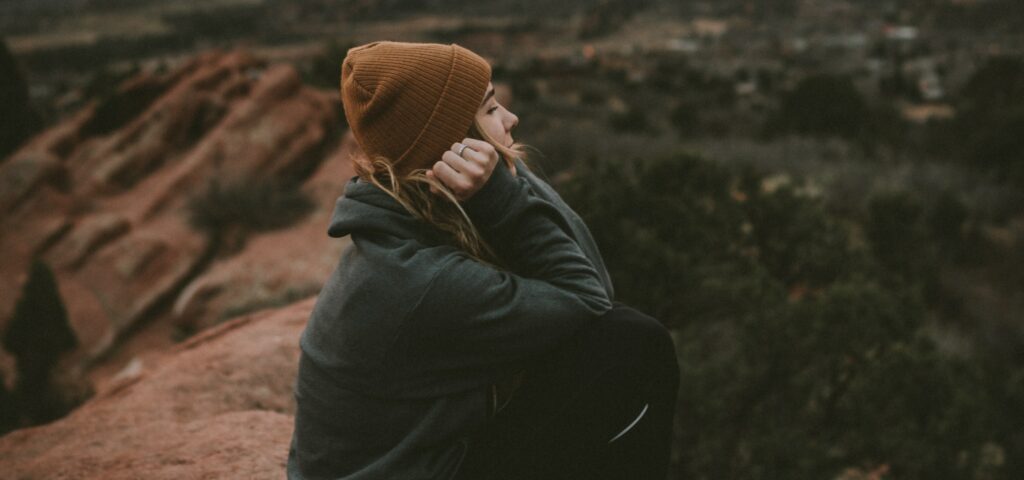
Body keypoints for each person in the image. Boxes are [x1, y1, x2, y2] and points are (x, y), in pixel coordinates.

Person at [286, 40, 680, 480]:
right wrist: (501, 195)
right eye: (492, 110)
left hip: (421, 459)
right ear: (454, 147)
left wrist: (503, 174)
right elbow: (591, 297)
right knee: (633, 343)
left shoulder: (411, 218)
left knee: (613, 339)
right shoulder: (420, 281)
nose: (511, 119)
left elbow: (591, 277)